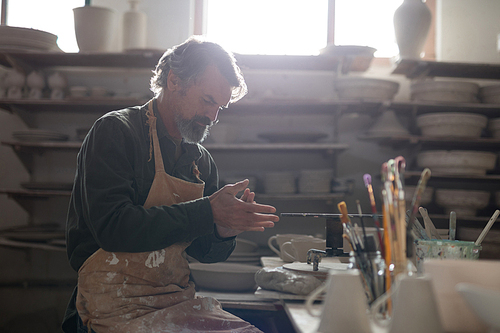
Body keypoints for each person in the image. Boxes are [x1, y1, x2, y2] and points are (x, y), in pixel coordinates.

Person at [62, 36, 279, 333]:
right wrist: (207, 213)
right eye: (207, 101)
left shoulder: (200, 161)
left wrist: (224, 231)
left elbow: (205, 252)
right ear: (174, 81)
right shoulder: (116, 132)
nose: (213, 117)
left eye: (221, 107)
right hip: (111, 303)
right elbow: (112, 227)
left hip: (172, 302)